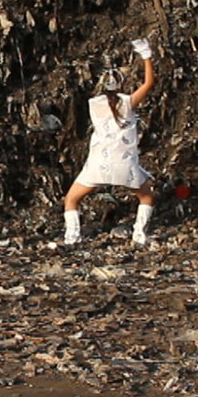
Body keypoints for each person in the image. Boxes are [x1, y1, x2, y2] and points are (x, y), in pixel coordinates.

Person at [62, 38, 158, 246]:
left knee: (71, 200)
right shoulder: (128, 103)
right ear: (121, 84)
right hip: (126, 166)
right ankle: (139, 234)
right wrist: (146, 56)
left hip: (98, 165)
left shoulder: (93, 104)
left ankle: (72, 236)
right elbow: (149, 83)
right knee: (146, 196)